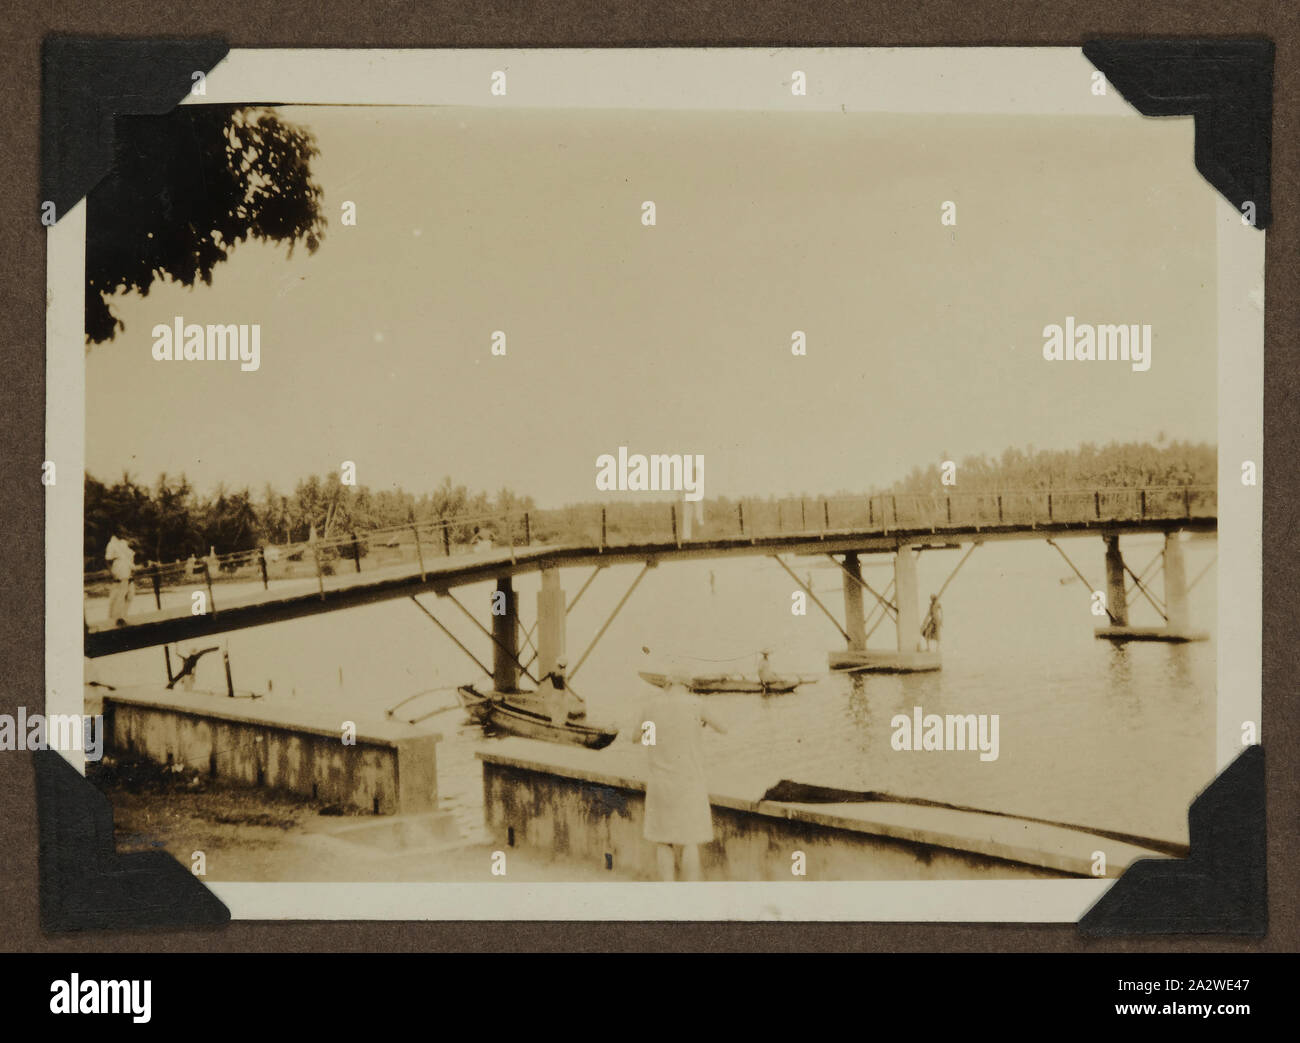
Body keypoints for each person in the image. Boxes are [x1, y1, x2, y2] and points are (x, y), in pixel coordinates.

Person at [635, 676, 727, 881]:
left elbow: (636, 737)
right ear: (688, 686)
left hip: (660, 783)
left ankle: (668, 894)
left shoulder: (651, 706)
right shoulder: (696, 704)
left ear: (667, 685)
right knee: (689, 841)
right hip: (689, 782)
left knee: (663, 841)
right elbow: (724, 727)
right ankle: (689, 894)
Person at [541, 658, 584, 726]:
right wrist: (578, 697)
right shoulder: (562, 675)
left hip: (554, 693)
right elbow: (568, 687)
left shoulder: (552, 672)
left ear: (558, 665)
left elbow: (542, 680)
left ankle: (554, 724)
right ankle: (559, 726)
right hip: (561, 695)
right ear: (564, 666)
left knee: (555, 710)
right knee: (564, 710)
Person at [104, 534, 135, 626]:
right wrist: (112, 574)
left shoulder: (124, 542)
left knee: (130, 594)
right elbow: (107, 560)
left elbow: (130, 558)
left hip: (128, 570)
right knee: (120, 595)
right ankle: (119, 619)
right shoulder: (112, 544)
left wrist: (132, 571)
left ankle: (123, 616)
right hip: (119, 570)